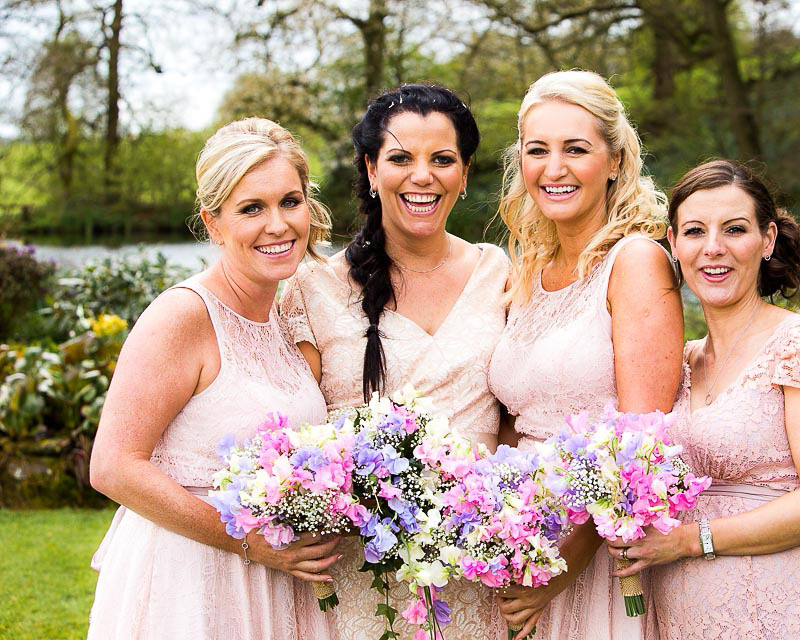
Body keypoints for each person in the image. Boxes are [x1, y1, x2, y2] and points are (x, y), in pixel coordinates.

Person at [88, 118, 342, 640]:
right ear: (214, 223)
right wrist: (248, 540)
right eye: (252, 209)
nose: (278, 225)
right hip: (193, 578)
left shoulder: (285, 317)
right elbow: (113, 467)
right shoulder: (183, 315)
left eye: (290, 202)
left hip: (277, 580)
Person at [607, 159, 800, 639]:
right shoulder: (681, 365)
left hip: (792, 607)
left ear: (767, 240)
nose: (714, 249)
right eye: (694, 231)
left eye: (734, 230)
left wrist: (690, 541)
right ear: (674, 243)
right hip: (689, 614)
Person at [280, 84, 510, 640]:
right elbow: (290, 424)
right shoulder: (313, 287)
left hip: (476, 571)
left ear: (466, 170)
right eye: (401, 158)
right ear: (371, 166)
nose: (422, 176)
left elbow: (514, 411)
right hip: (361, 575)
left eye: (442, 159)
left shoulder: (497, 272)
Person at [486, 70, 684, 640]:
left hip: (600, 553)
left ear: (615, 159)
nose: (554, 169)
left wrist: (560, 570)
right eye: (537, 150)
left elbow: (640, 440)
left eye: (576, 149)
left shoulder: (636, 262)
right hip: (525, 543)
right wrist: (507, 537)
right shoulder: (526, 274)